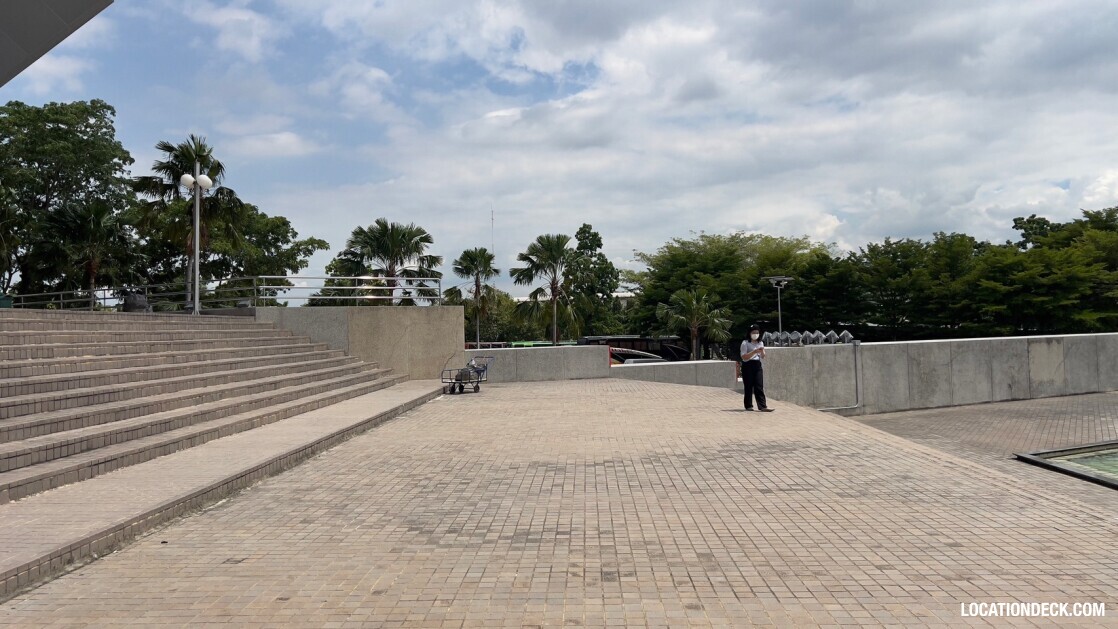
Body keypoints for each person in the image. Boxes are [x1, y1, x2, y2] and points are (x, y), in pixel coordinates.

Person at [740, 325, 773, 412]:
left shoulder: (760, 343)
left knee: (759, 385)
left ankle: (762, 406)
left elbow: (763, 356)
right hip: (747, 365)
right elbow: (744, 357)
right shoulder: (745, 343)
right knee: (748, 386)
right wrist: (754, 351)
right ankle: (748, 405)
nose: (755, 334)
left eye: (757, 332)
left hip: (757, 364)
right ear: (749, 333)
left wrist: (762, 351)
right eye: (753, 332)